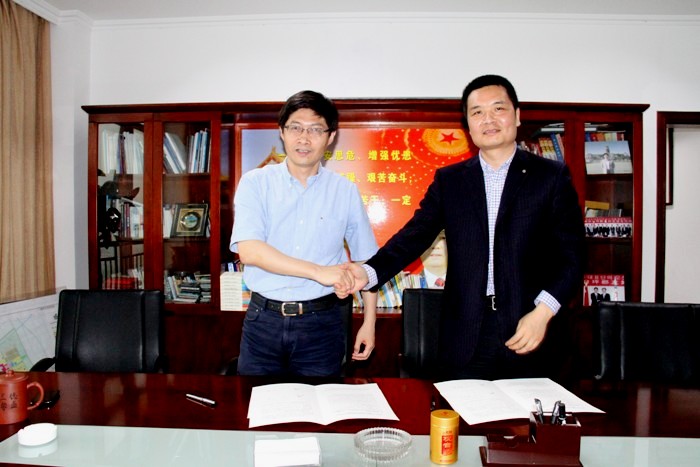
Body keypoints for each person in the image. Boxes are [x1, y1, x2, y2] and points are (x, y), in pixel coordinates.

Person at [341, 74, 585, 380]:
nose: (488, 119)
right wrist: (368, 272)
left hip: (531, 327)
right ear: (468, 124)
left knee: (528, 412)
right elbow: (414, 236)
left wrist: (543, 312)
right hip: (466, 334)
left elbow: (572, 257)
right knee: (463, 410)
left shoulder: (550, 176)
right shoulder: (451, 181)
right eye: (477, 112)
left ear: (517, 115)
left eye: (498, 109)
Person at [229, 90, 378, 376]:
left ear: (330, 137)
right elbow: (250, 251)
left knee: (321, 403)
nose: (304, 138)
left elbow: (366, 260)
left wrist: (369, 322)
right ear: (282, 132)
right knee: (257, 401)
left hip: (322, 324)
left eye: (315, 130)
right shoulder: (255, 183)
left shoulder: (344, 191)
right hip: (263, 321)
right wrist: (319, 272)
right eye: (295, 128)